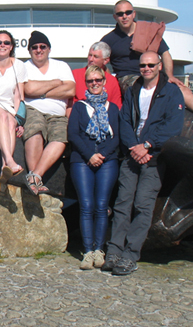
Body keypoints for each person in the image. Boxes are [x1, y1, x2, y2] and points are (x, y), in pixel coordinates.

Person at [101, 0, 193, 130]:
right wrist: (109, 81)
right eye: (120, 14)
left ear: (134, 14)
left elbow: (165, 54)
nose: (124, 16)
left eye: (128, 12)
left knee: (181, 90)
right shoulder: (109, 40)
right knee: (151, 90)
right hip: (129, 78)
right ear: (115, 17)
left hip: (154, 74)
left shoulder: (148, 32)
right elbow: (101, 62)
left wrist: (169, 75)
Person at [103, 51, 184, 276]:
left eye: (150, 65)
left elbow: (173, 126)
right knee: (122, 203)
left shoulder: (171, 92)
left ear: (159, 66)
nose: (146, 69)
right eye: (143, 65)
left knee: (142, 205)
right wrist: (134, 146)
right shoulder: (134, 89)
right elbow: (125, 121)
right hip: (133, 154)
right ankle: (114, 251)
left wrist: (148, 145)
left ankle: (130, 255)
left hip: (154, 157)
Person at [68, 65, 120, 270]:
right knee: (86, 205)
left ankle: (99, 249)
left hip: (107, 159)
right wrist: (90, 154)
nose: (95, 84)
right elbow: (73, 134)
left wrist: (102, 154)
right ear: (86, 84)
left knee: (101, 205)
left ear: (104, 82)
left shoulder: (112, 108)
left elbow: (117, 136)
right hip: (82, 159)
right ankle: (88, 250)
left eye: (98, 80)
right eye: (90, 81)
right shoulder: (79, 107)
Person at [22, 31, 76, 195]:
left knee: (60, 137)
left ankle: (35, 177)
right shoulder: (24, 67)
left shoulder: (61, 66)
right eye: (34, 47)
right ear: (29, 50)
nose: (39, 50)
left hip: (58, 114)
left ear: (49, 49)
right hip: (33, 109)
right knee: (35, 130)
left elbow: (70, 90)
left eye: (42, 46)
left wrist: (40, 92)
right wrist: (56, 82)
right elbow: (28, 89)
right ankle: (35, 180)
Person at [0, 30, 27, 181]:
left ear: (11, 46)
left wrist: (19, 120)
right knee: (2, 116)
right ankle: (9, 160)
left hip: (10, 107)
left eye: (6, 42)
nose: (2, 45)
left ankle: (5, 168)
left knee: (10, 122)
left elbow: (18, 95)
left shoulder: (19, 65)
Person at [71, 42, 122, 110]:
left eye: (96, 57)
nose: (91, 59)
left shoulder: (112, 80)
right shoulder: (75, 74)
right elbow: (68, 104)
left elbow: (116, 107)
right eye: (90, 55)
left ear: (105, 60)